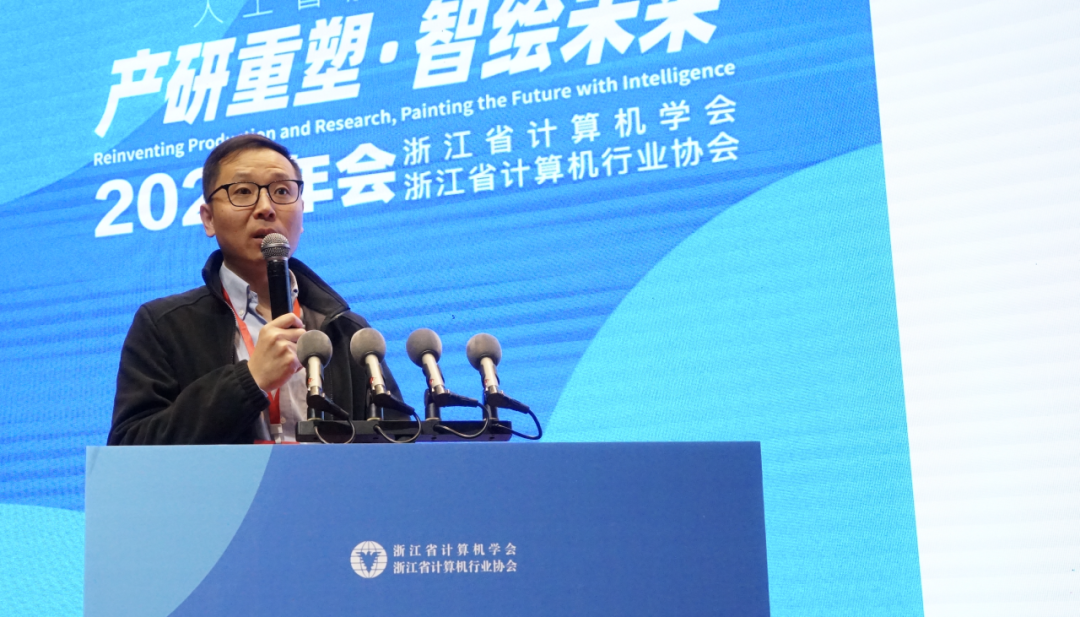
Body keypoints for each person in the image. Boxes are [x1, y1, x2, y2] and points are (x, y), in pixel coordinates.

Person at [108, 134, 404, 445]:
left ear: (302, 213)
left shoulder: (346, 331)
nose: (266, 207)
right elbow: (129, 448)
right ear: (208, 219)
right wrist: (250, 380)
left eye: (282, 191)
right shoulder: (165, 326)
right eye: (243, 191)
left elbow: (397, 445)